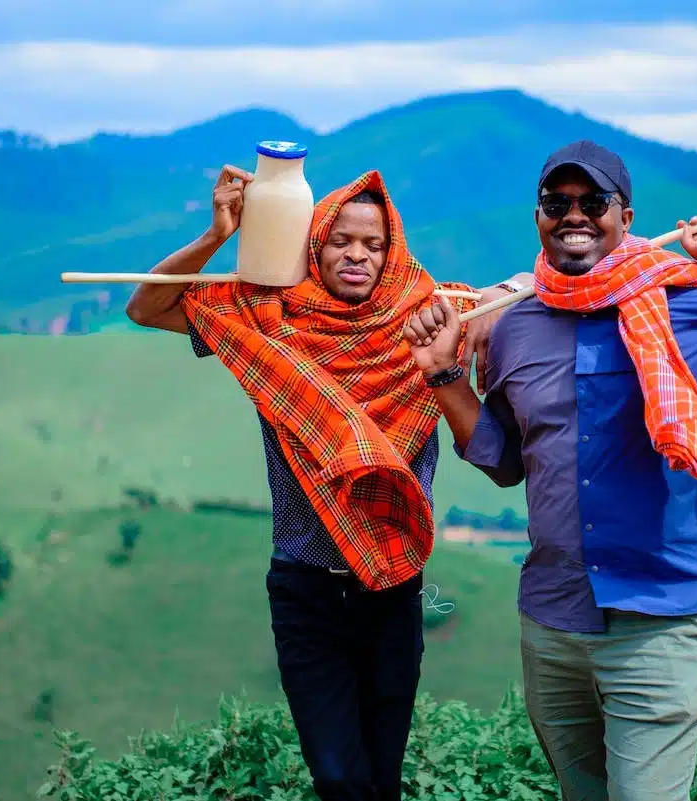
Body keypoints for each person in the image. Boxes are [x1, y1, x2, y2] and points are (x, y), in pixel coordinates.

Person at [402, 140, 697, 800]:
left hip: (663, 615)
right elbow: (508, 460)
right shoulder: (515, 324)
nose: (574, 214)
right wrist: (442, 374)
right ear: (539, 216)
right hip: (554, 620)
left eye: (592, 202)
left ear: (624, 216)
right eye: (556, 202)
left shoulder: (691, 304)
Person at [125, 164, 529, 801]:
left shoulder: (426, 317)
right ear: (313, 244)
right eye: (342, 241)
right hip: (305, 587)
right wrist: (216, 235)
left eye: (374, 245)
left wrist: (510, 284)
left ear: (391, 251)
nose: (357, 255)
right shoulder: (265, 317)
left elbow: (535, 289)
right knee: (339, 778)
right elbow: (145, 306)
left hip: (394, 583)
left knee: (380, 779)